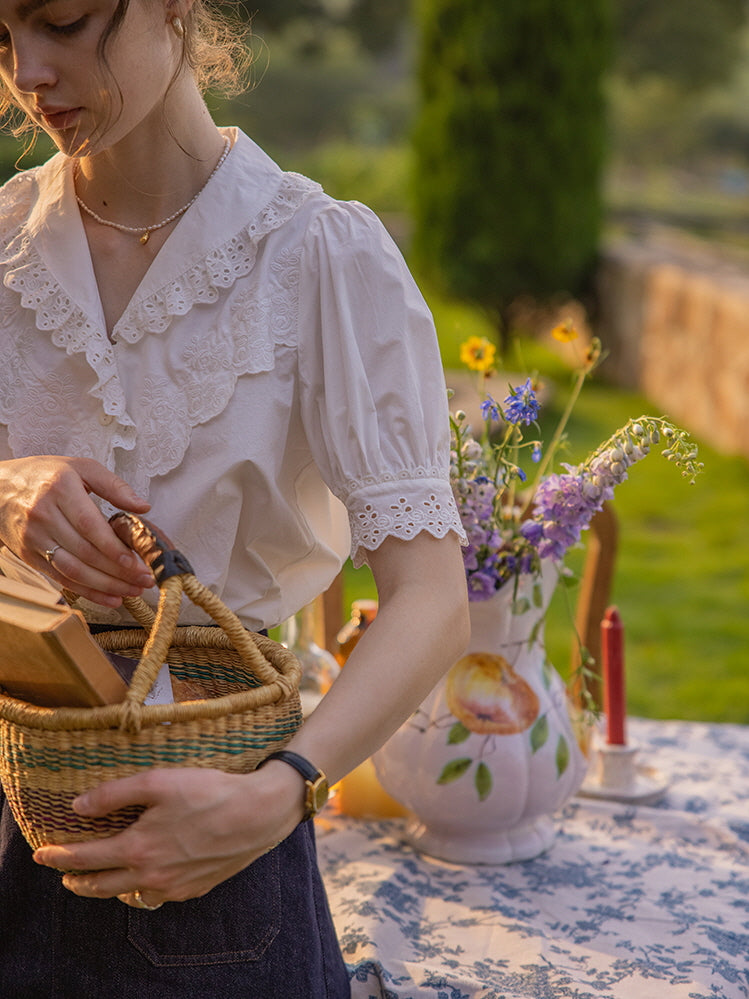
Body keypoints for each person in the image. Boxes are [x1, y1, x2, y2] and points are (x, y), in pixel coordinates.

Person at [0, 0, 470, 994]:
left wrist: (283, 792)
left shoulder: (318, 257)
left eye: (63, 20)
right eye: (1, 40)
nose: (29, 72)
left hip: (226, 858)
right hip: (15, 829)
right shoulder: (1, 245)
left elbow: (432, 597)